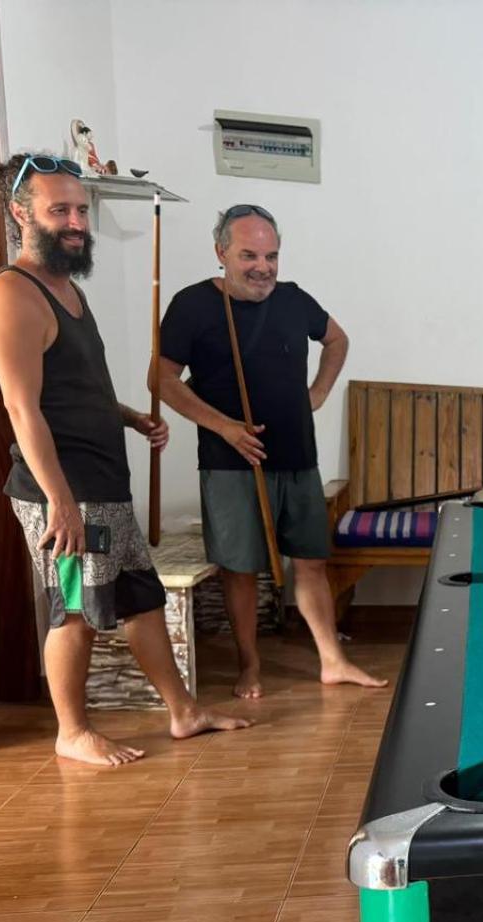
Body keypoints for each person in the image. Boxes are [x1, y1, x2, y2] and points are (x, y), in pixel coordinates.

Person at [0, 152, 249, 765]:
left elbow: (77, 388)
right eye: (60, 210)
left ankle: (183, 713)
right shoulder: (11, 295)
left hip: (102, 484)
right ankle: (71, 732)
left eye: (82, 209)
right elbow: (21, 409)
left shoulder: (67, 288)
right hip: (64, 491)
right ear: (20, 213)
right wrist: (61, 504)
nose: (77, 222)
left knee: (139, 598)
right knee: (74, 608)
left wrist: (129, 416)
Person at [156, 204, 386, 699]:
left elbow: (337, 340)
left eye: (271, 256)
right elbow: (161, 379)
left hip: (297, 454)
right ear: (221, 253)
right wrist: (225, 428)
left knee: (311, 561)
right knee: (240, 569)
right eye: (249, 255)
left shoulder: (294, 299)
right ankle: (250, 666)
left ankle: (332, 661)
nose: (263, 267)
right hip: (231, 462)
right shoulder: (193, 305)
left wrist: (318, 392)